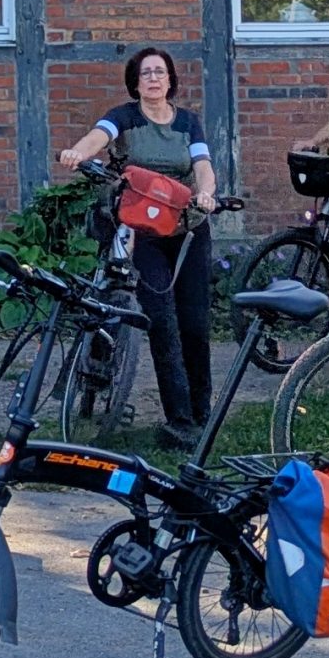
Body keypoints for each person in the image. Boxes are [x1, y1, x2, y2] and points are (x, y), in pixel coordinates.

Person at [56, 47, 221, 450]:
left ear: (170, 80)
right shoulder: (126, 117)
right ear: (135, 82)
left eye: (159, 72)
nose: (152, 79)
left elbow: (202, 164)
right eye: (145, 73)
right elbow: (99, 136)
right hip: (144, 229)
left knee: (196, 323)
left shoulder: (188, 123)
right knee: (162, 321)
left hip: (188, 227)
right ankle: (180, 419)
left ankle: (203, 411)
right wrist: (79, 151)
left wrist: (207, 192)